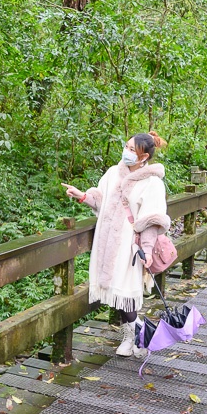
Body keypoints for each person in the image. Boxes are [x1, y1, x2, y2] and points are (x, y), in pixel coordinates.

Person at [62, 132, 170, 357]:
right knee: (114, 290)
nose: (127, 152)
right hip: (106, 240)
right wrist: (82, 196)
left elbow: (152, 220)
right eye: (127, 147)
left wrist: (147, 250)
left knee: (125, 291)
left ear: (144, 157)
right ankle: (131, 336)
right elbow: (101, 201)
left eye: (133, 150)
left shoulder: (152, 183)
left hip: (129, 246)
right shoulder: (113, 173)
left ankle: (139, 334)